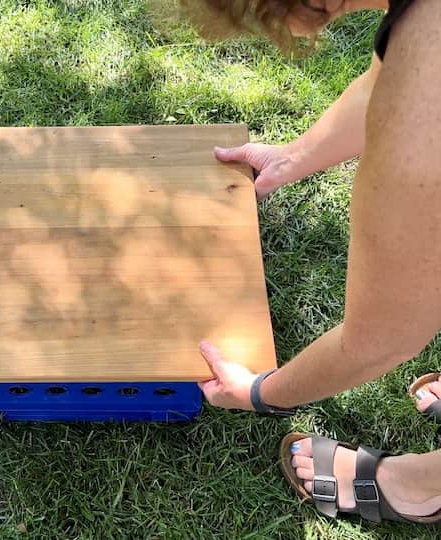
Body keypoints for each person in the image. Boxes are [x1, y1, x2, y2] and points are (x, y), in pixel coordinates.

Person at [180, 0, 441, 524]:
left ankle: (426, 487)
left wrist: (258, 392)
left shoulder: (425, 124)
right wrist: (293, 157)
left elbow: (379, 341)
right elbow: (390, 77)